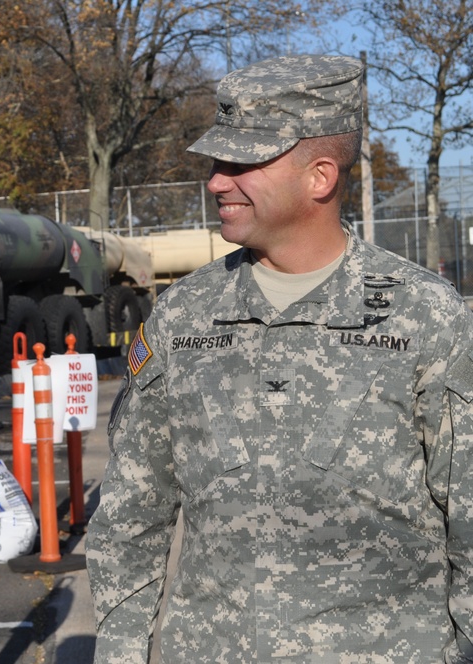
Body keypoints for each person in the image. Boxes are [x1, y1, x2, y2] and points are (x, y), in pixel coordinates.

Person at [86, 54, 473, 663]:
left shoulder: (425, 317)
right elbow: (133, 512)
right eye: (217, 163)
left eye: (241, 164)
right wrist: (120, 653)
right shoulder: (184, 317)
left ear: (320, 177)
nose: (216, 181)